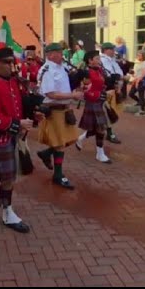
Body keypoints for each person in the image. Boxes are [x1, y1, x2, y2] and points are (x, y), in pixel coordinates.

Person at [0, 47, 37, 234]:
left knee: (3, 174)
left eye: (11, 62)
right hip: (1, 136)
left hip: (14, 134)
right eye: (6, 62)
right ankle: (7, 213)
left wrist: (34, 117)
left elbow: (20, 106)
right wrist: (16, 124)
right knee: (8, 178)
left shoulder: (15, 83)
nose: (10, 65)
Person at [35, 43, 83, 189]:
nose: (62, 55)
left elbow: (67, 82)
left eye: (62, 52)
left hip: (64, 109)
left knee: (70, 139)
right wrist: (72, 95)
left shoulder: (61, 67)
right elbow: (51, 94)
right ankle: (58, 175)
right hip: (53, 110)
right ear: (50, 55)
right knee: (60, 144)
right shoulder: (47, 70)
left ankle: (46, 154)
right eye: (59, 52)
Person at [75, 50, 112, 163]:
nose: (99, 60)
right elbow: (85, 90)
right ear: (90, 61)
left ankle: (80, 139)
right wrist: (100, 95)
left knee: (97, 129)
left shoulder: (99, 70)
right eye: (97, 58)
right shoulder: (87, 73)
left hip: (100, 102)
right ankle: (100, 154)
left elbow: (101, 83)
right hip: (93, 102)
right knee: (101, 130)